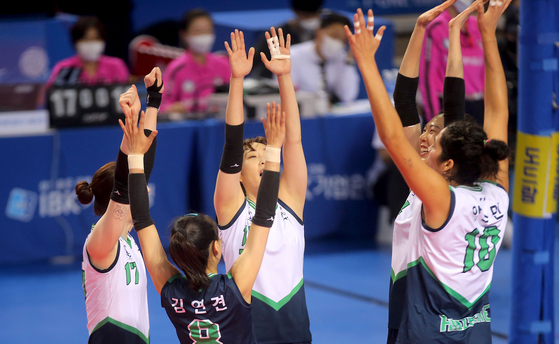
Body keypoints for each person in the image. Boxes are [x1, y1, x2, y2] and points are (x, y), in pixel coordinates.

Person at [346, 0, 511, 342]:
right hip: (474, 327)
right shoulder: (496, 189)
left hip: (424, 326)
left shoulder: (438, 197)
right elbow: (498, 110)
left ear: (449, 163)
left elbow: (393, 136)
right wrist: (487, 35)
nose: (425, 141)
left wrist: (366, 64)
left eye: (435, 141)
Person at [120, 62, 286, 343]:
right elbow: (265, 213)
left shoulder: (170, 290)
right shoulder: (236, 287)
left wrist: (135, 156)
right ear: (218, 248)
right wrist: (274, 151)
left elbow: (141, 219)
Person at [214, 28, 312, 343]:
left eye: (264, 155)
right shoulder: (230, 207)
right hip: (247, 328)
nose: (260, 161)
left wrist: (285, 76)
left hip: (294, 327)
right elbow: (231, 145)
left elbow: (293, 140)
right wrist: (237, 80)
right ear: (237, 174)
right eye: (251, 156)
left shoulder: (290, 199)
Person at [76, 67, 162, 343]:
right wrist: (131, 120)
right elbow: (127, 185)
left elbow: (139, 168)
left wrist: (154, 101)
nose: (145, 188)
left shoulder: (126, 239)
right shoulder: (100, 242)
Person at [419, 0, 485, 125]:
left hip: (477, 108)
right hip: (448, 107)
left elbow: (487, 74)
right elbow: (427, 79)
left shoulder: (479, 26)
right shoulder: (436, 27)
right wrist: (435, 120)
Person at [160, 8, 231, 116]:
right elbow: (162, 106)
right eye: (198, 31)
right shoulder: (176, 68)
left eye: (208, 30)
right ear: (184, 35)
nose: (204, 36)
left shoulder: (224, 65)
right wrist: (172, 108)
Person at [290, 12, 360, 105]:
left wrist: (349, 60)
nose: (338, 42)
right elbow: (283, 94)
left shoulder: (342, 57)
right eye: (335, 35)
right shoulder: (293, 56)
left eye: (343, 40)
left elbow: (348, 97)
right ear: (319, 31)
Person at [46, 16, 130, 88]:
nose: (91, 43)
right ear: (75, 42)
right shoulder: (64, 68)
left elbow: (128, 97)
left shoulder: (116, 65)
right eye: (86, 39)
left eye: (96, 38)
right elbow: (52, 97)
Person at [251, 0, 324, 79]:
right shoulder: (277, 34)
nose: (310, 19)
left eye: (314, 15)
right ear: (296, 12)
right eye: (306, 15)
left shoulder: (327, 33)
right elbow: (256, 60)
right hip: (277, 81)